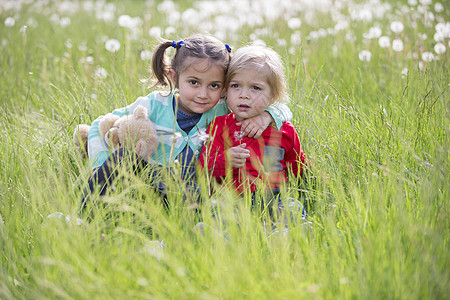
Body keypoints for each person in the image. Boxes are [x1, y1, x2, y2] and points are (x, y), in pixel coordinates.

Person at [83, 34, 292, 208]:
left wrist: (267, 116)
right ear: (174, 77)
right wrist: (99, 166)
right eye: (193, 82)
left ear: (226, 86)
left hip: (195, 199)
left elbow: (279, 107)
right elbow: (97, 126)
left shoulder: (221, 110)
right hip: (148, 189)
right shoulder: (154, 104)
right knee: (123, 157)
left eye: (214, 85)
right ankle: (85, 216)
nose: (203, 94)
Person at [199, 45, 307, 223]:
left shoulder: (284, 130)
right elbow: (204, 168)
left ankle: (282, 234)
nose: (244, 95)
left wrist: (319, 183)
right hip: (231, 199)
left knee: (292, 208)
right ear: (225, 90)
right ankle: (218, 236)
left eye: (255, 88)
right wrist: (225, 160)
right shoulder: (220, 126)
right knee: (217, 212)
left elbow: (297, 166)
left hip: (273, 198)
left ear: (272, 96)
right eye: (235, 86)